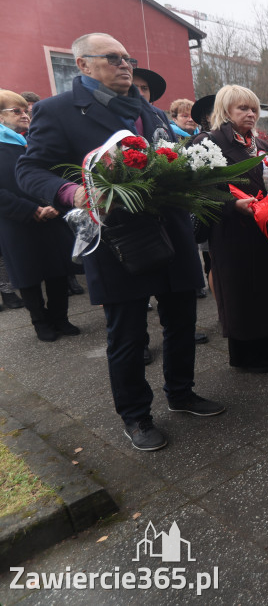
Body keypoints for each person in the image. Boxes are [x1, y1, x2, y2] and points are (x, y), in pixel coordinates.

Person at [16, 32, 223, 451]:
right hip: (118, 237)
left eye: (127, 57)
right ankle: (136, 416)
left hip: (173, 231)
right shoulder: (57, 111)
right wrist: (71, 192)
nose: (125, 64)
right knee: (128, 334)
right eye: (113, 58)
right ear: (83, 65)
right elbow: (29, 170)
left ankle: (181, 393)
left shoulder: (150, 111)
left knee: (181, 320)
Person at [192, 85, 268, 373]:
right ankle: (245, 355)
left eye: (254, 108)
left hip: (266, 230)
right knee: (244, 293)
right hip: (234, 233)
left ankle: (267, 348)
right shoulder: (207, 143)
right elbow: (198, 191)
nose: (251, 114)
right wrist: (231, 205)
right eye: (243, 108)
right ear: (225, 111)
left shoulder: (259, 145)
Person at [0, 90, 76, 340]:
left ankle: (60, 318)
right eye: (16, 111)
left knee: (58, 270)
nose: (24, 115)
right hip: (17, 221)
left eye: (26, 110)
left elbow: (56, 172)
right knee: (28, 274)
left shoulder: (33, 141)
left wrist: (56, 202)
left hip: (52, 215)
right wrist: (30, 210)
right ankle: (40, 323)